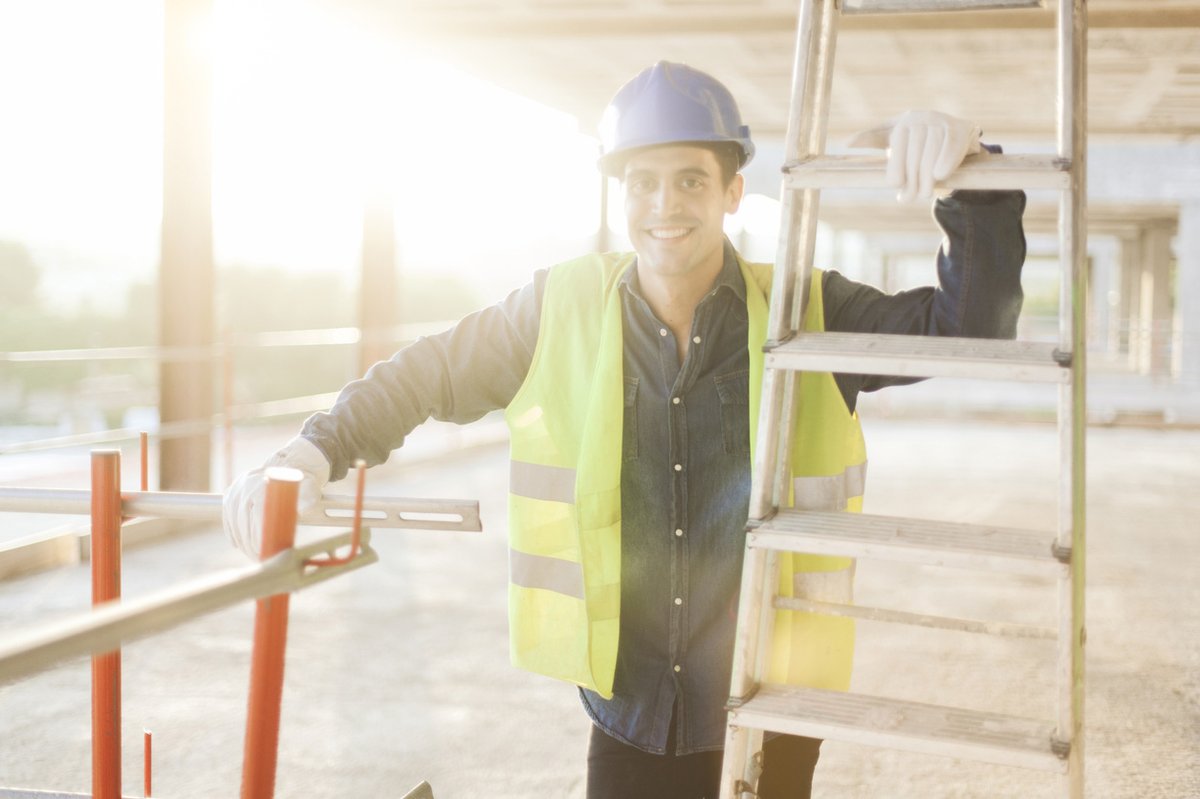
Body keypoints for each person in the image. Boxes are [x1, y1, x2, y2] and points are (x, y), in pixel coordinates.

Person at [224, 61, 1026, 799]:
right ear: (620, 196)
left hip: (771, 705)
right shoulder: (560, 309)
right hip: (631, 707)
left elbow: (968, 328)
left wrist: (972, 178)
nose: (665, 204)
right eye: (643, 182)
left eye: (690, 179)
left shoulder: (806, 311)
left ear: (732, 191)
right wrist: (313, 450)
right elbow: (425, 372)